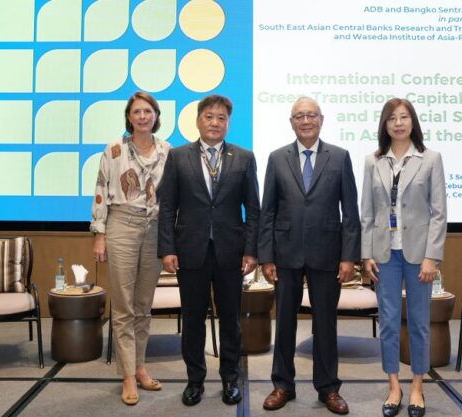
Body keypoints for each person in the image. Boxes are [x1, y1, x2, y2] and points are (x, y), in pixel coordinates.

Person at [258, 96, 360, 415]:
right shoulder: (276, 158)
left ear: (321, 119)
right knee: (285, 322)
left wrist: (349, 257)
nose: (305, 121)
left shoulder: (340, 157)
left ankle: (328, 388)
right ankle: (282, 385)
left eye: (311, 115)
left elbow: (351, 211)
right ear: (291, 122)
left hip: (328, 253)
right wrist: (266, 256)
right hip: (284, 253)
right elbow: (268, 211)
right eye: (299, 116)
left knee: (325, 323)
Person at [157, 94, 260, 407]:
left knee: (230, 319)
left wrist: (251, 251)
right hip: (190, 251)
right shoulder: (178, 156)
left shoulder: (243, 157)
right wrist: (167, 249)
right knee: (192, 319)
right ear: (198, 120)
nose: (215, 123)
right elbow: (167, 208)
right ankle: (195, 380)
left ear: (228, 123)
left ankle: (230, 378)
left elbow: (253, 208)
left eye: (222, 118)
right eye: (210, 117)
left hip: (231, 251)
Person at [360, 98, 447, 417]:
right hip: (385, 254)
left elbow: (439, 213)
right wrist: (366, 253)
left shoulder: (430, 158)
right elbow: (366, 211)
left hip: (418, 255)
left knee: (421, 323)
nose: (398, 123)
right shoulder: (373, 160)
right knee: (388, 324)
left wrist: (432, 257)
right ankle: (394, 386)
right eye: (392, 118)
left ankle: (417, 388)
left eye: (404, 117)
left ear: (413, 122)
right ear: (384, 125)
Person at [90, 91, 171, 406]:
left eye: (147, 111)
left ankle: (140, 368)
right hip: (121, 226)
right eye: (136, 111)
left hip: (155, 229)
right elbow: (100, 191)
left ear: (155, 115)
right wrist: (99, 233)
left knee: (143, 306)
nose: (142, 116)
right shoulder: (113, 150)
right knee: (123, 308)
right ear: (129, 116)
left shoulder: (168, 151)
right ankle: (126, 376)